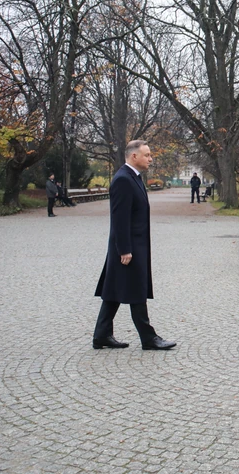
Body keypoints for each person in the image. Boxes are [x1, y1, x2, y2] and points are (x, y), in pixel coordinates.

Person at [92, 140, 176, 351]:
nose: (150, 159)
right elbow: (119, 218)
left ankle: (101, 335)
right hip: (128, 247)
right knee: (137, 290)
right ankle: (149, 338)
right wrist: (125, 249)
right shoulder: (123, 179)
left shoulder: (133, 177)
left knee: (114, 290)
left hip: (134, 244)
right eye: (147, 155)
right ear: (134, 156)